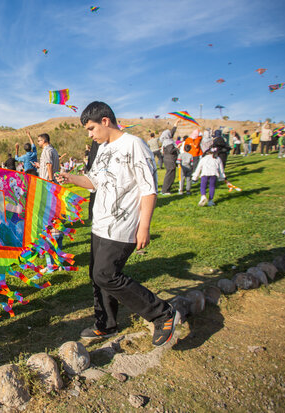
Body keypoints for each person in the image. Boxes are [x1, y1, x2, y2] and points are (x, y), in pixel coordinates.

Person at [57, 101, 179, 346]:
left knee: (106, 275)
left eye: (91, 129)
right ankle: (106, 325)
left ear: (105, 121)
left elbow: (148, 189)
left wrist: (144, 226)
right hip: (100, 224)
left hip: (122, 226)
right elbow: (94, 182)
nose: (90, 135)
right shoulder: (102, 149)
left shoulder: (134, 145)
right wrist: (70, 178)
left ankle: (162, 313)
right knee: (97, 276)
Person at [34, 133, 62, 270]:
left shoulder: (46, 150)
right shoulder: (54, 150)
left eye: (39, 141)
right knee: (53, 218)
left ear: (44, 140)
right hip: (55, 185)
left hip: (48, 186)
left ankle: (51, 260)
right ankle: (55, 258)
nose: (38, 143)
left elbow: (49, 165)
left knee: (47, 220)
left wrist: (50, 181)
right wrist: (41, 167)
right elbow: (50, 165)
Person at [159, 119, 180, 195]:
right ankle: (165, 190)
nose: (171, 134)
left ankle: (167, 189)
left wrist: (176, 124)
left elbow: (172, 132)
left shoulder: (167, 140)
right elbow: (171, 151)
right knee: (169, 175)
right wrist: (178, 147)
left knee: (171, 175)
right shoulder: (168, 142)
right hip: (170, 160)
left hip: (169, 160)